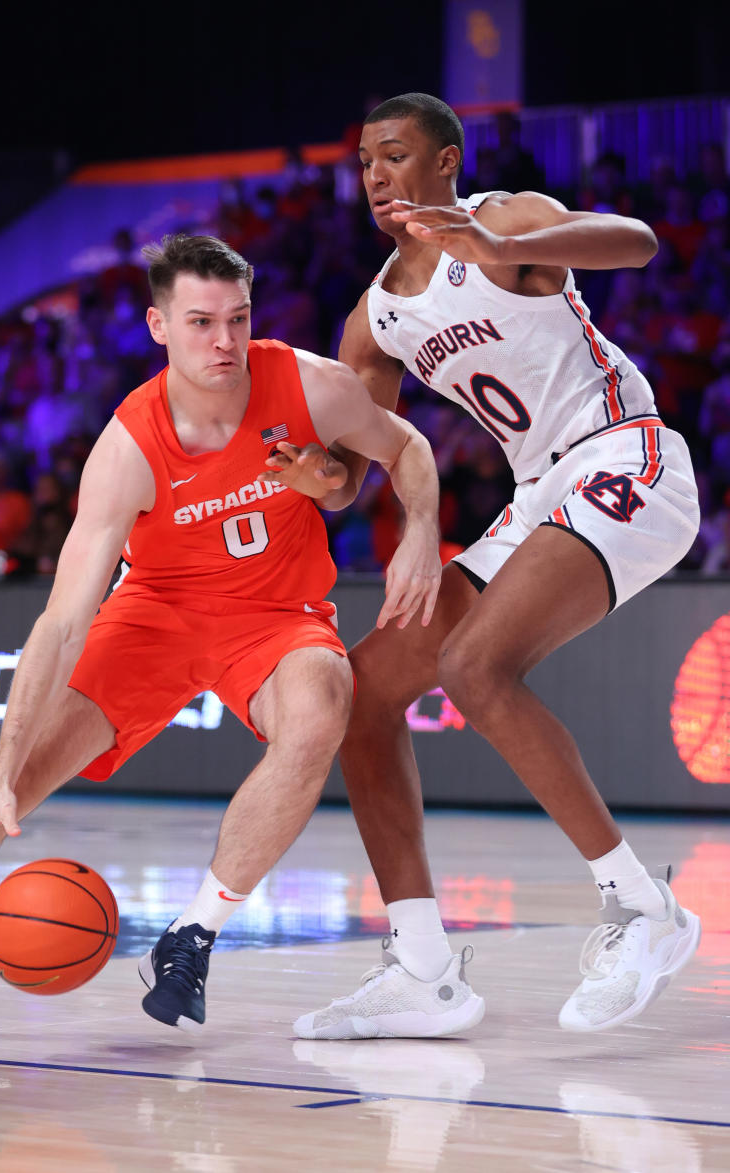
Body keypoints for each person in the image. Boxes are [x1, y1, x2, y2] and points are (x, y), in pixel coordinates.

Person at [0, 233, 447, 1051]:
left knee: (322, 712)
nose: (224, 341)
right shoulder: (128, 447)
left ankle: (193, 936)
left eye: (238, 320)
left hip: (277, 613)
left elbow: (409, 447)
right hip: (157, 615)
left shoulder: (312, 384)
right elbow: (63, 619)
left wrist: (420, 524)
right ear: (157, 326)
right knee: (7, 783)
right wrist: (7, 764)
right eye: (202, 321)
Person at [275, 92, 701, 1039]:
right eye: (363, 162)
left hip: (626, 453)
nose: (376, 176)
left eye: (393, 156)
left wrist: (492, 247)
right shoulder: (375, 316)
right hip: (538, 493)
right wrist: (320, 474)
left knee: (473, 666)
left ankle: (643, 907)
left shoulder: (507, 218)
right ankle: (424, 969)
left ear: (445, 161)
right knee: (362, 692)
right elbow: (358, 469)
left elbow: (636, 242)